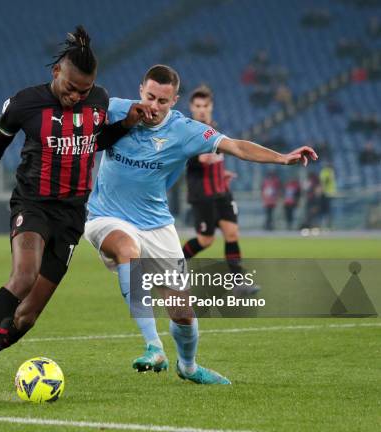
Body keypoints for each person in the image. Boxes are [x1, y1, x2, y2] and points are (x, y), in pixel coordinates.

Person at [0, 26, 151, 402]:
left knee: (27, 317)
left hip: (73, 214)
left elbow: (94, 140)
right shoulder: (24, 103)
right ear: (57, 71)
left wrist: (124, 126)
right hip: (32, 204)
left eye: (84, 90)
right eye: (71, 87)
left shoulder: (100, 101)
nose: (77, 96)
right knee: (23, 276)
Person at [84, 65, 316, 381]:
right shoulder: (114, 111)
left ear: (175, 100)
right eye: (150, 97)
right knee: (127, 249)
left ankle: (188, 367)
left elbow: (235, 146)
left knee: (183, 313)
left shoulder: (185, 131)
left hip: (156, 225)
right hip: (106, 217)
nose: (154, 106)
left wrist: (282, 158)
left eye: (163, 101)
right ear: (141, 90)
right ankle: (153, 346)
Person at [180, 85, 255, 293]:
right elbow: (182, 158)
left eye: (205, 105)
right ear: (191, 107)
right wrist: (197, 159)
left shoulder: (214, 129)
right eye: (198, 105)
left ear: (211, 106)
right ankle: (171, 265)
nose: (202, 109)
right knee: (206, 240)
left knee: (232, 233)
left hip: (221, 191)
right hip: (202, 195)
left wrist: (222, 174)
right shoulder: (186, 130)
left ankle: (238, 282)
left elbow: (215, 157)